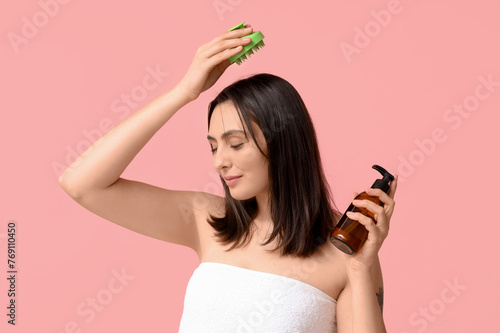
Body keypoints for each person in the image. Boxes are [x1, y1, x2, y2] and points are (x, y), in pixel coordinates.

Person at [59, 23, 398, 333]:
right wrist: (183, 92)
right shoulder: (207, 220)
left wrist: (361, 266)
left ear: (284, 141)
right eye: (212, 147)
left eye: (235, 143)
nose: (220, 161)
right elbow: (81, 183)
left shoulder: (347, 255)